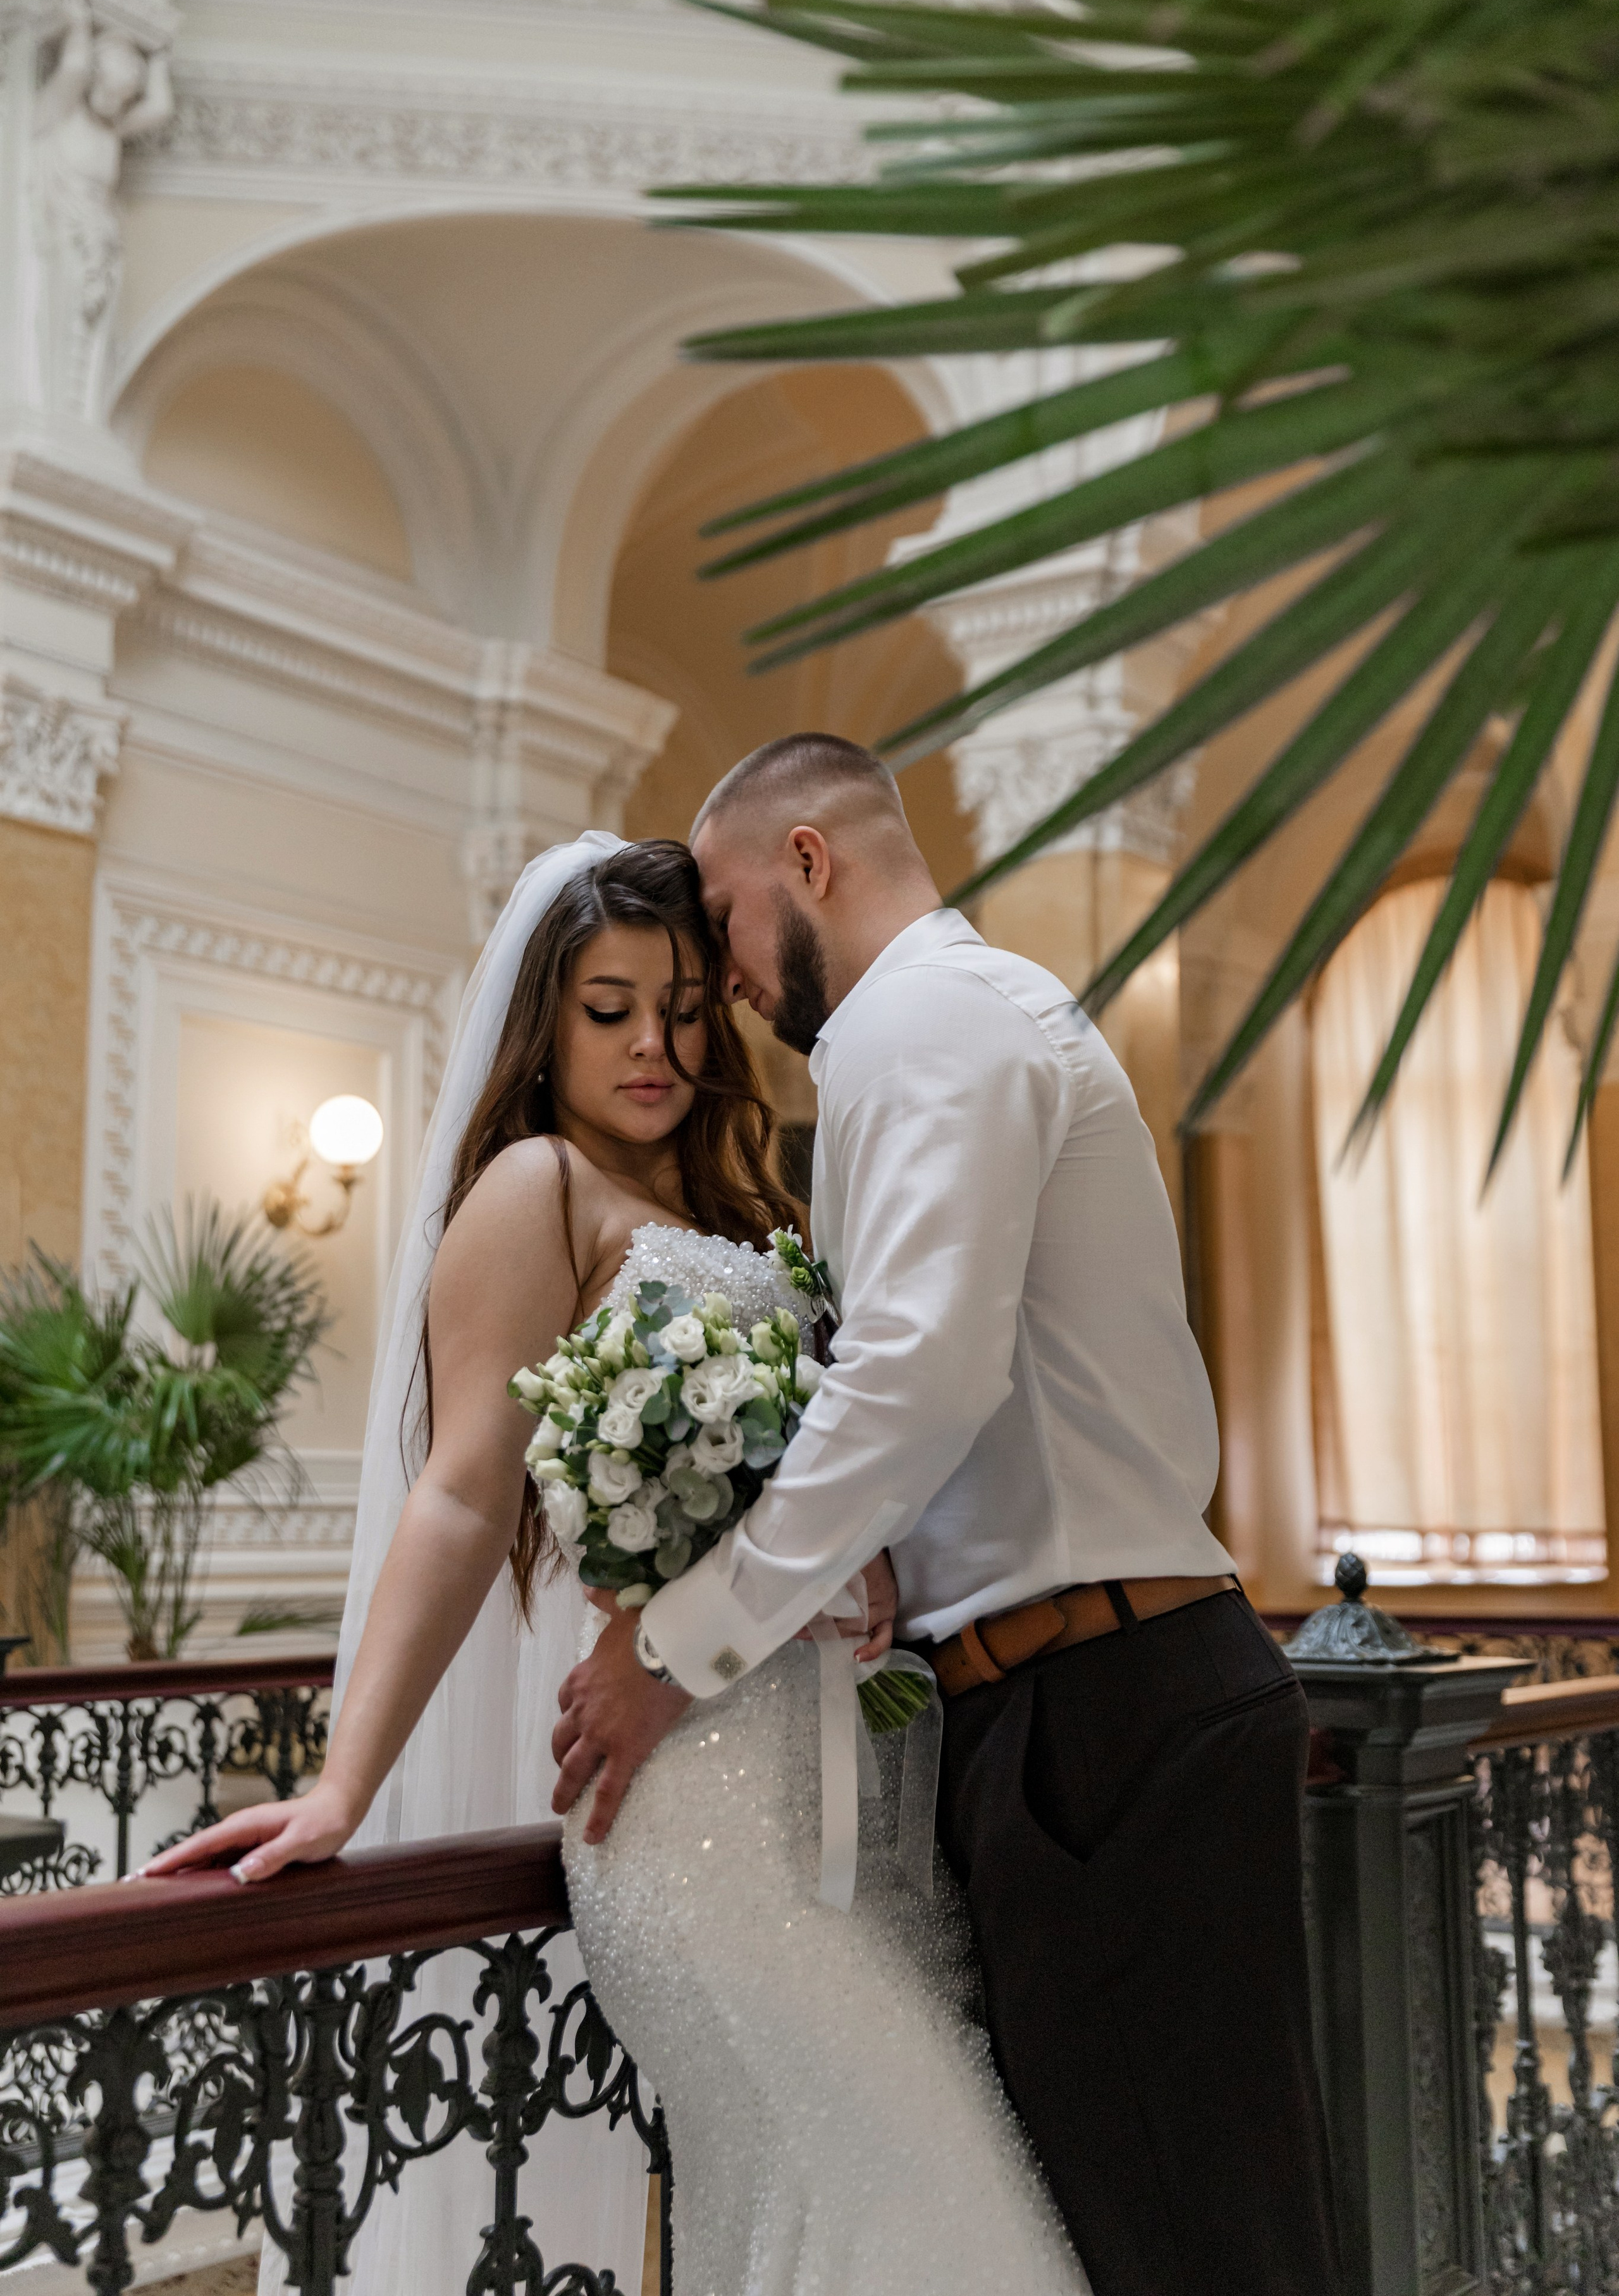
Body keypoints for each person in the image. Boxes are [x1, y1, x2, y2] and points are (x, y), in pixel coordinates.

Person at [142, 831, 1088, 2296]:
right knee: (928, 2201)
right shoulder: (536, 1190)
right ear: (547, 1024)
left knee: (839, 2213)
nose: (653, 1043)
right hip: (696, 1818)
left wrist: (872, 1549)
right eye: (606, 1009)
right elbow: (462, 1499)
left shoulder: (753, 1207)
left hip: (868, 1802)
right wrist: (344, 1782)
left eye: (683, 1006)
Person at [553, 735, 1344, 2296]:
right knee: (1148, 2231)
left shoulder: (925, 1020)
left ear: (805, 863)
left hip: (1106, 1714)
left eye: (716, 920)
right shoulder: (923, 1034)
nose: (718, 977)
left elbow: (915, 1374)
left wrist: (679, 1647)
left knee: (1198, 2246)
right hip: (1066, 1703)